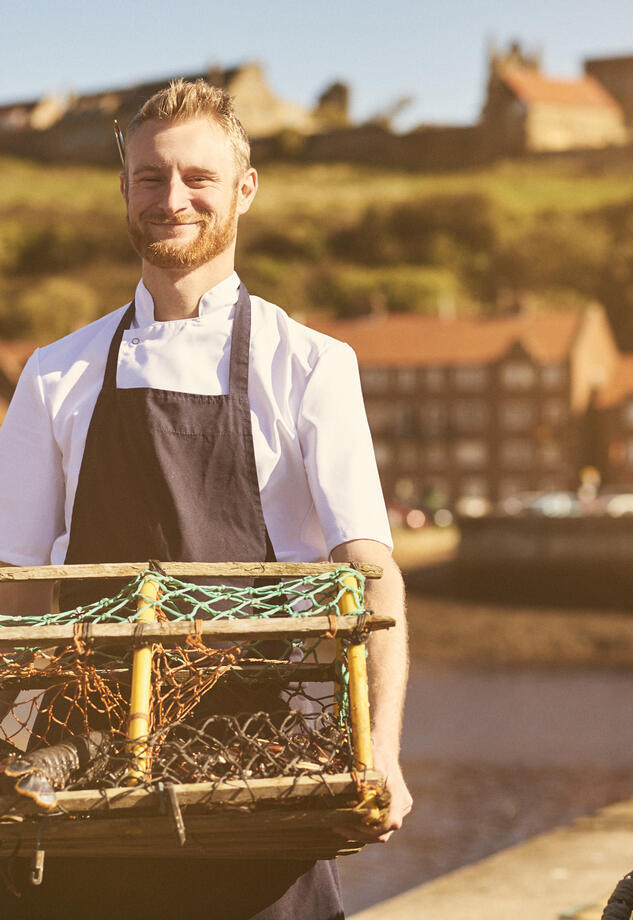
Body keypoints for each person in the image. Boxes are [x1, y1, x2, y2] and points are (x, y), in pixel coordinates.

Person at [0, 79, 411, 918]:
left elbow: (370, 575)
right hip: (88, 778)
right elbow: (16, 589)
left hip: (266, 767)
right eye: (150, 178)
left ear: (244, 189)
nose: (172, 198)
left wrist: (387, 754)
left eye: (198, 178)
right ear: (123, 189)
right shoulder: (56, 373)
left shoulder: (311, 365)